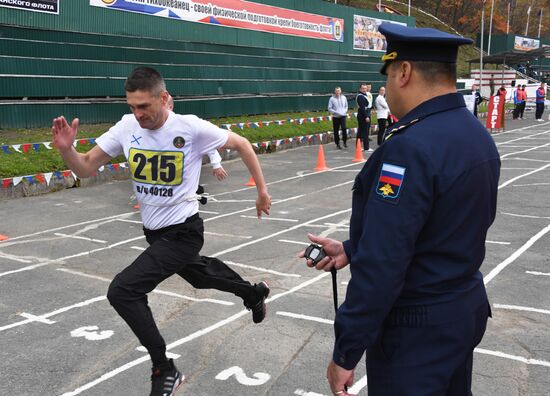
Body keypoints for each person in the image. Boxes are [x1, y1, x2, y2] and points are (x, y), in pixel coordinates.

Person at [301, 23, 500, 396]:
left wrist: (346, 351)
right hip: (463, 308)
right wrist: (351, 248)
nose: (388, 87)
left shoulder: (409, 148)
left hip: (416, 328)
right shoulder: (476, 135)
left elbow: (384, 264)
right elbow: (440, 228)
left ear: (404, 72)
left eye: (389, 74)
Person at [51, 67, 272, 396]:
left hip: (184, 231)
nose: (137, 114)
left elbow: (242, 144)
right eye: (131, 107)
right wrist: (68, 150)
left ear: (164, 99)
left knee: (123, 291)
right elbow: (85, 167)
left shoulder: (190, 127)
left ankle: (164, 368)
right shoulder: (127, 128)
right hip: (154, 232)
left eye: (144, 106)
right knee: (199, 276)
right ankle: (252, 293)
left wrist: (262, 192)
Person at [167, 95, 228, 180]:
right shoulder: (147, 126)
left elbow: (206, 141)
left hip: (183, 176)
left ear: (170, 107)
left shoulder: (187, 123)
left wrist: (216, 164)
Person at [355, 83, 373, 152]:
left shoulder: (365, 95)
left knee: (361, 131)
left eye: (365, 88)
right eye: (363, 88)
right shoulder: (360, 96)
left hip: (364, 114)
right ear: (360, 89)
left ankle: (358, 146)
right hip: (363, 115)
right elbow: (362, 108)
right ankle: (366, 147)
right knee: (365, 132)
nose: (364, 90)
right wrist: (366, 116)